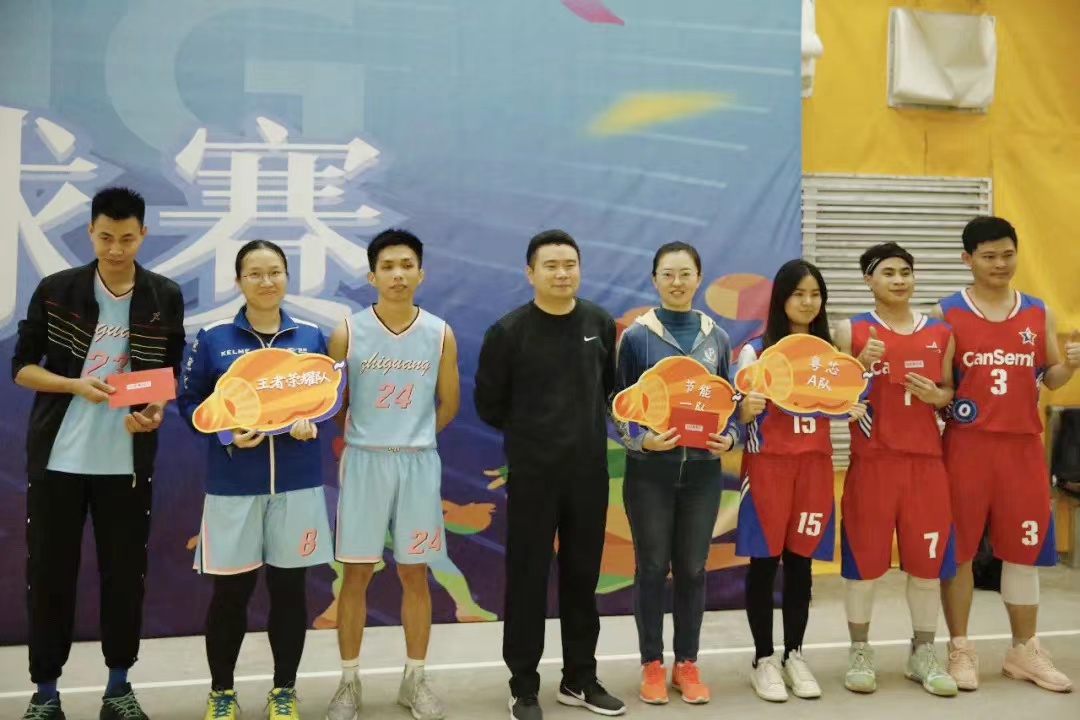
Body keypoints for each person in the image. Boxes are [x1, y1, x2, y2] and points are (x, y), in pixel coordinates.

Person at [11, 187, 186, 720]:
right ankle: (45, 695)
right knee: (50, 578)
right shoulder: (57, 289)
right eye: (105, 237)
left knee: (124, 578)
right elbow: (22, 368)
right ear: (90, 232)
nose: (115, 248)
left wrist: (153, 412)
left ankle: (118, 689)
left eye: (126, 238)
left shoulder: (163, 295)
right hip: (58, 461)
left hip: (125, 464)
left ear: (143, 235)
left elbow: (166, 376)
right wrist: (73, 385)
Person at [178, 240, 334, 720]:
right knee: (231, 595)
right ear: (238, 281)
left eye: (275, 272)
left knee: (290, 593)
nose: (266, 282)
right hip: (233, 488)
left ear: (286, 276)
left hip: (297, 485)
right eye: (255, 273)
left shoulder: (310, 337)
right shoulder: (213, 338)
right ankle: (221, 693)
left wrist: (312, 422)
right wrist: (227, 433)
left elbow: (325, 396)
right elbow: (190, 403)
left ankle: (283, 691)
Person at [475, 230, 625, 720]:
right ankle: (523, 684)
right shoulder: (508, 332)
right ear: (530, 273)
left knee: (582, 578)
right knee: (527, 578)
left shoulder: (599, 323)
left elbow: (609, 391)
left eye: (569, 264)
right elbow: (489, 404)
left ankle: (579, 678)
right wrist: (535, 439)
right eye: (551, 266)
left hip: (588, 475)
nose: (562, 274)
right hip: (533, 477)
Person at [936, 216, 1078, 693]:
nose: (1000, 263)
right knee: (958, 551)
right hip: (966, 447)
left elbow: (1050, 376)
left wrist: (1069, 366)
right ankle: (960, 648)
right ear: (967, 259)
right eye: (989, 256)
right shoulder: (946, 313)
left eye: (1007, 254)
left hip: (1022, 449)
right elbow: (942, 386)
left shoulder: (1038, 311)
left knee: (1023, 550)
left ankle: (1024, 650)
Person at [326, 229, 460, 720]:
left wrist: (413, 436)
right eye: (388, 266)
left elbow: (448, 403)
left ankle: (415, 679)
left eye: (407, 265)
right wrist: (371, 435)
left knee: (414, 573)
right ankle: (348, 682)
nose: (398, 274)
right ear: (372, 276)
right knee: (356, 573)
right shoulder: (347, 332)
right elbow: (334, 406)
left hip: (418, 462)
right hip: (364, 461)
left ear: (421, 273)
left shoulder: (440, 333)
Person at [735, 259, 865, 702]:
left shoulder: (831, 355)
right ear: (781, 299)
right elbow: (738, 412)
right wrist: (744, 410)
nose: (808, 303)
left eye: (815, 295)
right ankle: (763, 659)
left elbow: (850, 397)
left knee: (801, 564)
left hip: (815, 468)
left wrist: (853, 401)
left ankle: (795, 654)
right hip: (768, 467)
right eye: (798, 294)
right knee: (763, 564)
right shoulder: (757, 351)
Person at [613, 242, 737, 706]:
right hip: (650, 474)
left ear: (698, 278)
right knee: (650, 567)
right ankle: (651, 663)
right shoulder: (636, 337)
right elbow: (618, 406)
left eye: (685, 273)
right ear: (655, 280)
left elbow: (729, 404)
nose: (677, 282)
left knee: (692, 568)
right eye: (668, 274)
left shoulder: (716, 337)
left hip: (703, 474)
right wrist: (642, 440)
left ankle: (687, 663)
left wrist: (730, 439)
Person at [833, 242, 958, 697]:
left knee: (926, 567)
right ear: (869, 279)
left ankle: (922, 653)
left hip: (926, 464)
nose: (899, 280)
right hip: (873, 464)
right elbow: (833, 397)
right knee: (863, 568)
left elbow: (949, 392)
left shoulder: (941, 332)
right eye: (888, 272)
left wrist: (936, 397)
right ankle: (860, 651)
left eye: (905, 271)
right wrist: (860, 367)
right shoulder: (850, 330)